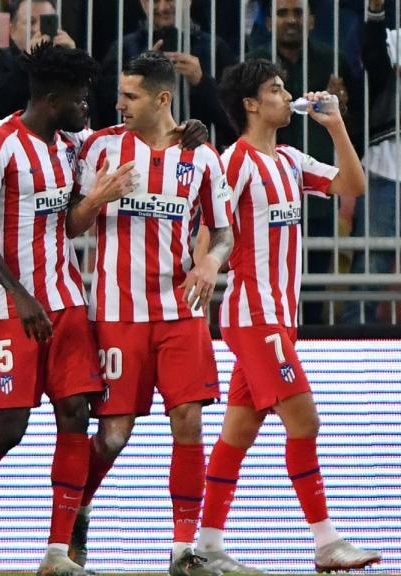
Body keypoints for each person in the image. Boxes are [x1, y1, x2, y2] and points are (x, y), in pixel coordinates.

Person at [0, 44, 111, 576]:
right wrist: (19, 293)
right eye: (79, 97)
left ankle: (56, 552)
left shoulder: (71, 144)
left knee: (75, 414)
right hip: (13, 306)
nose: (86, 106)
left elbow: (71, 222)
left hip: (67, 299)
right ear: (52, 99)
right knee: (11, 427)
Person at [196, 58, 380, 574]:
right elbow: (208, 230)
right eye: (276, 89)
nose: (287, 95)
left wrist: (337, 124)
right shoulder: (234, 163)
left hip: (280, 319)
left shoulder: (292, 160)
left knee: (238, 432)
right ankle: (326, 542)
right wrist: (203, 264)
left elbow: (353, 185)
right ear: (251, 104)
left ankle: (205, 546)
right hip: (254, 317)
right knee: (305, 419)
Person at [70, 51, 234, 576]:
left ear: (163, 99)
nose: (119, 104)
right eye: (120, 94)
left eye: (131, 96)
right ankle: (78, 510)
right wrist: (97, 198)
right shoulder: (100, 147)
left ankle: (183, 549)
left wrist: (209, 260)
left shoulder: (201, 156)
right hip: (118, 314)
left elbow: (225, 230)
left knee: (188, 423)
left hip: (181, 313)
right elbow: (72, 225)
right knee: (113, 435)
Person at [249, 0, 361, 324]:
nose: (291, 20)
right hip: (266, 196)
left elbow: (354, 123)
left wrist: (342, 110)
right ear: (268, 23)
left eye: (298, 13)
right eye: (282, 13)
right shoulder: (256, 64)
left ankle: (307, 353)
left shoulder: (331, 60)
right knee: (269, 292)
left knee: (311, 296)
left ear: (312, 20)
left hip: (318, 197)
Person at [94, 0, 236, 146]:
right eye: (155, 1)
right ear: (143, 3)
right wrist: (139, 75)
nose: (163, 8)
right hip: (135, 154)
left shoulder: (213, 48)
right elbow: (105, 111)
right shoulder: (124, 48)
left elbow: (234, 121)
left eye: (171, 0)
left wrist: (201, 81)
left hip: (197, 154)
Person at [345, 0, 400, 324]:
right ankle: (351, 352)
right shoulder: (386, 36)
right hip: (385, 170)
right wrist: (375, 14)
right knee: (369, 273)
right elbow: (374, 63)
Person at [0, 0, 75, 134]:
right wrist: (29, 60)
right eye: (31, 22)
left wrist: (74, 62)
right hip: (7, 144)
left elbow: (87, 111)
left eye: (48, 22)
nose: (39, 30)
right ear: (12, 30)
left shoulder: (61, 65)